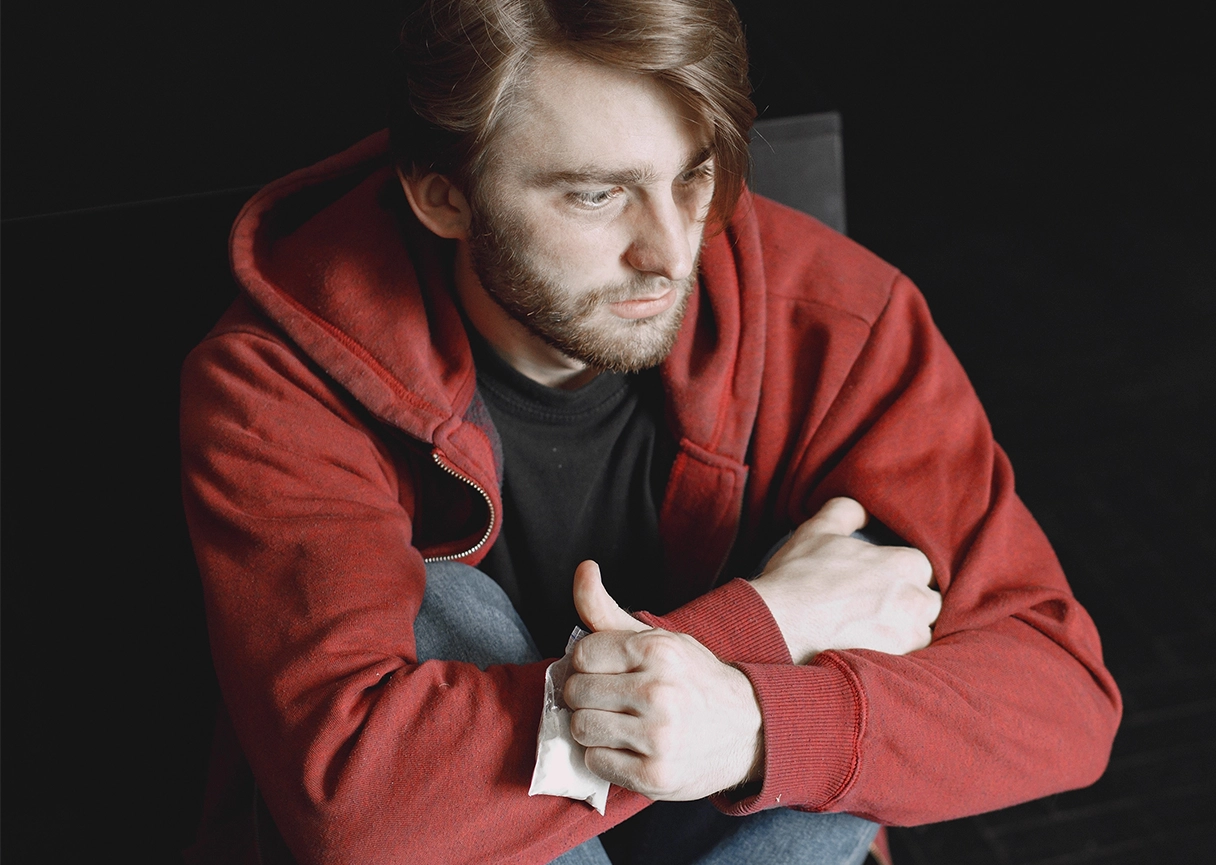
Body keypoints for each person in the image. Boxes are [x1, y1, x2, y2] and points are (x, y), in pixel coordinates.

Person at [179, 0, 1121, 862]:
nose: (671, 252)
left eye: (695, 174)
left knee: (829, 757)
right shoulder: (280, 381)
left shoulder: (838, 321)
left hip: (730, 834)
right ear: (443, 196)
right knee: (446, 610)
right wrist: (772, 624)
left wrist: (754, 725)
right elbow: (360, 804)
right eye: (595, 195)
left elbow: (1061, 696)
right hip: (461, 834)